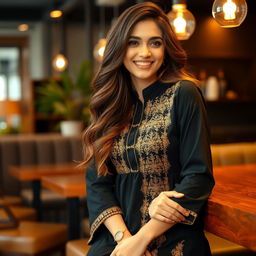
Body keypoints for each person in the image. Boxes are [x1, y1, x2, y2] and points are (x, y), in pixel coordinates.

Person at [82, 2, 215, 256]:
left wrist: (143, 238)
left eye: (155, 43)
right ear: (119, 48)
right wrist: (125, 241)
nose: (144, 52)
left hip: (173, 237)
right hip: (117, 236)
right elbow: (98, 184)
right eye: (133, 42)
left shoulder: (184, 93)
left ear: (166, 48)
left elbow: (198, 177)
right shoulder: (109, 103)